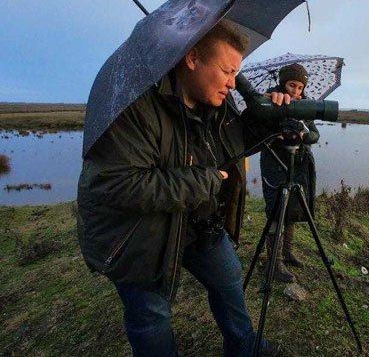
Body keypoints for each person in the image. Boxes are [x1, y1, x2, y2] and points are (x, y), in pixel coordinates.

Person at [77, 20, 290, 357]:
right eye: (227, 70)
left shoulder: (215, 103)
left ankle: (244, 347)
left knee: (229, 278)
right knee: (151, 316)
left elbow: (233, 145)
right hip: (139, 237)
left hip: (199, 223)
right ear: (192, 58)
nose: (233, 82)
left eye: (237, 72)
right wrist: (202, 181)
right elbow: (118, 184)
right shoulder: (133, 106)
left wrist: (270, 122)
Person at [259, 63, 320, 282]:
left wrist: (303, 134)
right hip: (274, 165)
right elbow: (258, 132)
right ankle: (274, 264)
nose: (296, 91)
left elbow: (315, 135)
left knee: (293, 207)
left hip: (298, 165)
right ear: (283, 83)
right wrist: (275, 133)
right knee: (276, 212)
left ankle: (286, 253)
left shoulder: (306, 107)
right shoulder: (270, 102)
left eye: (300, 87)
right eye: (292, 85)